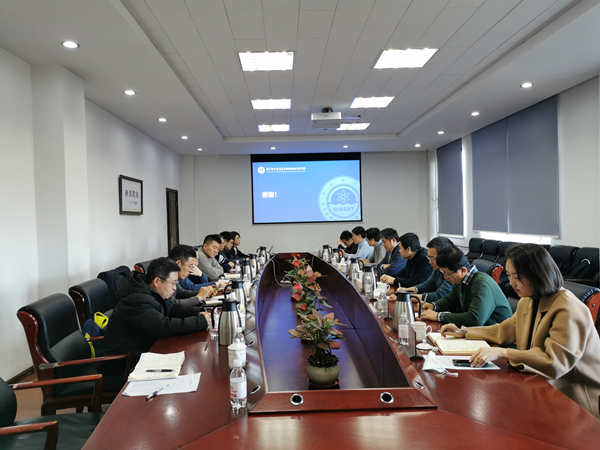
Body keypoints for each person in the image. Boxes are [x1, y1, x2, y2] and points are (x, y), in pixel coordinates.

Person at [441, 243, 600, 419]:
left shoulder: (569, 309)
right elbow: (504, 330)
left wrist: (503, 353)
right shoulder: (529, 299)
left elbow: (554, 361)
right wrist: (464, 332)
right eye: (509, 275)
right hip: (540, 383)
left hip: (574, 398)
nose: (511, 283)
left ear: (537, 274)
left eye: (517, 277)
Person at [102, 257, 211, 362]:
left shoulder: (155, 291)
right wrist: (199, 321)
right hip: (126, 361)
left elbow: (173, 308)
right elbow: (163, 327)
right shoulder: (136, 300)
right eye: (173, 283)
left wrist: (198, 312)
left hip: (147, 348)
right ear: (157, 281)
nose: (175, 288)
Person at [420, 245, 512, 327]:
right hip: (480, 332)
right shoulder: (461, 280)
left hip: (497, 336)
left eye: (447, 274)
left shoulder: (481, 283)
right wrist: (433, 306)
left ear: (463, 271)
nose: (445, 277)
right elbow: (450, 300)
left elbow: (475, 319)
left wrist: (438, 316)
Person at [391, 236, 454, 303]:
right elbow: (428, 284)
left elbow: (438, 295)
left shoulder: (453, 271)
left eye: (432, 258)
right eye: (429, 258)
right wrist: (410, 289)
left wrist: (405, 297)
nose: (430, 262)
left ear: (443, 257)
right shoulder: (438, 268)